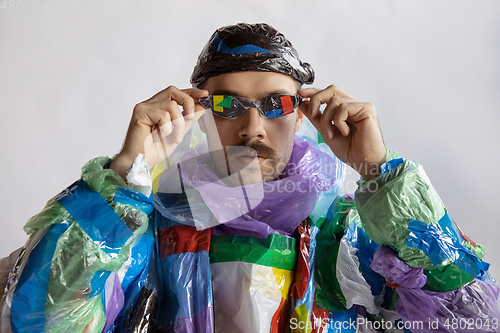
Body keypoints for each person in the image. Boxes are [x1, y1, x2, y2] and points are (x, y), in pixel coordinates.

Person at [0, 23, 498, 333]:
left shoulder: (350, 235)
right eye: (227, 104)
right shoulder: (151, 231)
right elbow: (38, 320)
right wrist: (123, 177)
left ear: (302, 113)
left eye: (276, 104)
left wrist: (379, 173)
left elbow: (474, 323)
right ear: (199, 112)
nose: (253, 127)